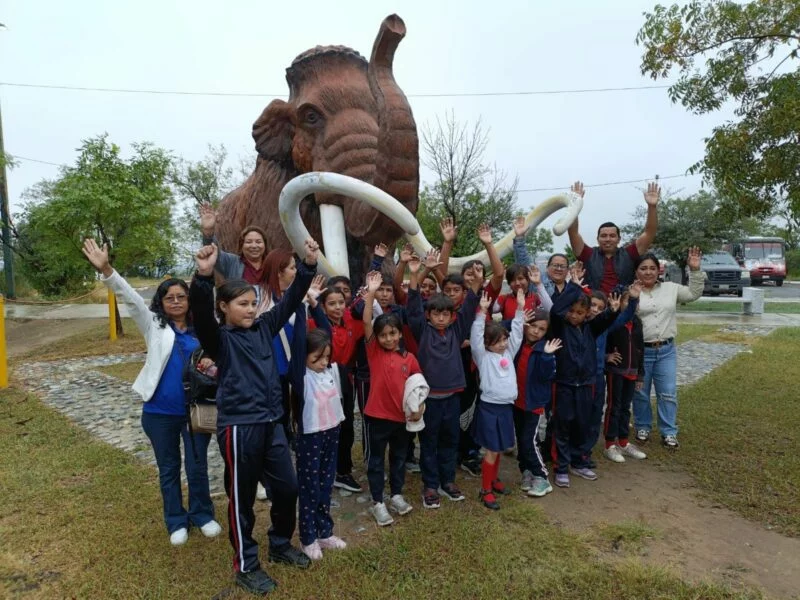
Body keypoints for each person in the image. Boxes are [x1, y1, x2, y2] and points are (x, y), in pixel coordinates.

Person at [189, 238, 318, 596]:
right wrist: (203, 277)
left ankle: (279, 544)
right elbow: (200, 317)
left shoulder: (264, 328)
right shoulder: (220, 340)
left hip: (271, 423)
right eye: (242, 305)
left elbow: (292, 298)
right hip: (238, 429)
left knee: (287, 487)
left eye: (253, 303)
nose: (250, 309)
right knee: (241, 499)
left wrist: (307, 265)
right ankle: (246, 564)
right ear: (224, 307)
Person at [80, 239, 222, 547]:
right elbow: (129, 298)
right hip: (160, 413)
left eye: (180, 296)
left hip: (198, 410)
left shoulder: (205, 330)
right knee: (168, 468)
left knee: (197, 466)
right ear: (161, 301)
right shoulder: (153, 325)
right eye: (168, 297)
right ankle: (175, 519)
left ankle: (202, 514)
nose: (175, 301)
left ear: (189, 300)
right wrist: (106, 269)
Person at [407, 250, 480, 509]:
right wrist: (415, 276)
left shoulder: (457, 330)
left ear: (451, 316)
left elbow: (470, 306)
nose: (440, 318)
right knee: (429, 443)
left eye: (445, 314)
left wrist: (475, 285)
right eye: (435, 314)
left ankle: (448, 481)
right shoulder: (422, 331)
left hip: (453, 397)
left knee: (451, 441)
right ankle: (430, 485)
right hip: (431, 400)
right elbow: (413, 306)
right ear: (429, 315)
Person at [361, 271, 422, 527]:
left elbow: (419, 387)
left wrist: (420, 407)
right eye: (383, 334)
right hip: (377, 417)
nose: (388, 338)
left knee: (398, 459)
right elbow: (366, 323)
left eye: (393, 333)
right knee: (376, 461)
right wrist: (371, 293)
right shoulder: (374, 352)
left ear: (400, 334)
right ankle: (378, 502)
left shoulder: (409, 359)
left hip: (401, 419)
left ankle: (396, 494)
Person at [548, 279, 622, 488]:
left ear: (587, 313)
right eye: (571, 311)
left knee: (582, 424)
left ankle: (578, 462)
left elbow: (605, 320)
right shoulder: (560, 326)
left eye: (580, 312)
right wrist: (574, 287)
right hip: (564, 384)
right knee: (563, 426)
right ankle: (561, 467)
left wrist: (614, 311)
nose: (574, 315)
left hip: (586, 384)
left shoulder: (591, 328)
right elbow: (556, 311)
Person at [289, 308, 348, 560]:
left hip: (332, 432)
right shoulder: (301, 376)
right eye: (317, 358)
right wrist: (303, 307)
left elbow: (327, 333)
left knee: (326, 484)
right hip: (310, 437)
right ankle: (308, 537)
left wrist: (316, 304)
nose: (323, 362)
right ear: (303, 356)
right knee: (310, 487)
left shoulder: (329, 371)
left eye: (326, 357)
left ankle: (325, 531)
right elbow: (301, 339)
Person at [632, 248, 704, 449]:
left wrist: (695, 270)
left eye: (652, 268)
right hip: (641, 352)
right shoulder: (631, 291)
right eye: (643, 268)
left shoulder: (671, 288)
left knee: (668, 393)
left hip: (665, 351)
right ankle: (642, 426)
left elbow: (693, 294)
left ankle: (669, 432)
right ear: (636, 271)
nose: (648, 272)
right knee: (640, 393)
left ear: (659, 270)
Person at [470, 289, 526, 510]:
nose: (503, 344)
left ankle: (494, 480)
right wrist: (481, 313)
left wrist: (520, 309)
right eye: (497, 341)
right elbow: (476, 338)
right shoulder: (483, 357)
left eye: (504, 339)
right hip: (489, 408)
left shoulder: (508, 354)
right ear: (487, 344)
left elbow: (518, 334)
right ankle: (485, 489)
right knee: (491, 449)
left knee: (500, 447)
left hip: (506, 408)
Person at [567, 181, 661, 294]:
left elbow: (649, 232)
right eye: (603, 236)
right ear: (598, 239)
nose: (608, 239)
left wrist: (652, 206)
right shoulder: (588, 254)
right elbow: (573, 232)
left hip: (623, 307)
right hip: (594, 308)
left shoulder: (629, 254)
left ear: (619, 239)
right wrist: (575, 204)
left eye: (612, 236)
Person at [513, 308, 561, 498]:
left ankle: (542, 477)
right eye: (532, 326)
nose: (535, 331)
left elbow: (547, 376)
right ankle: (526, 470)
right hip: (517, 402)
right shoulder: (517, 343)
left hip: (534, 404)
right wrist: (518, 320)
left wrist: (548, 356)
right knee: (521, 440)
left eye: (541, 329)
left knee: (529, 440)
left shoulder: (545, 349)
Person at [603, 283, 647, 462]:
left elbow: (640, 348)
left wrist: (640, 374)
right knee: (614, 406)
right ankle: (609, 444)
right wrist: (607, 356)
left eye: (633, 301)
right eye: (627, 300)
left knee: (625, 408)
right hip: (616, 371)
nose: (630, 305)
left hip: (632, 371)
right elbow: (602, 343)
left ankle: (623, 441)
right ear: (618, 301)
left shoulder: (637, 322)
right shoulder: (612, 321)